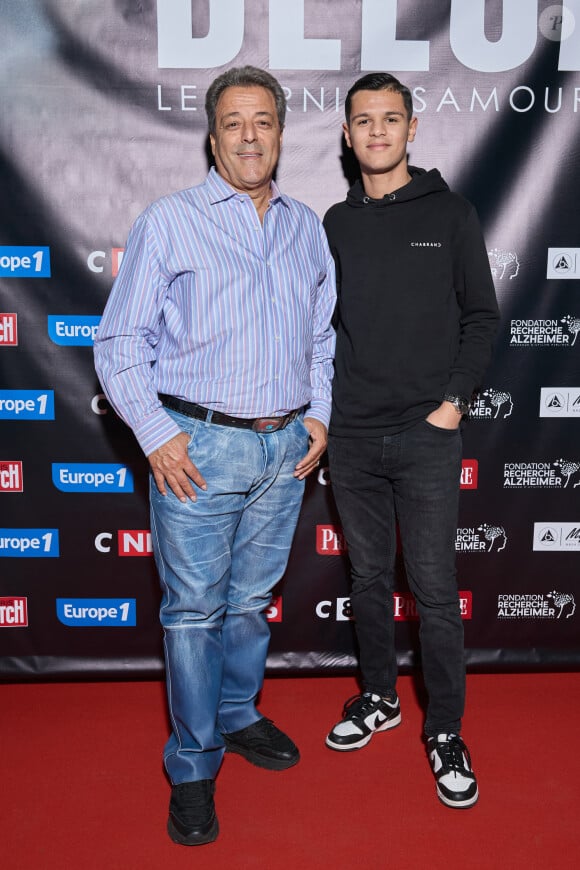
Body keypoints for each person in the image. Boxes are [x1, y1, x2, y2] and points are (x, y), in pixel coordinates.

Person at [94, 65, 336, 846]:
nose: (249, 136)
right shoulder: (171, 220)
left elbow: (324, 337)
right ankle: (194, 765)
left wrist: (321, 416)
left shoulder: (307, 226)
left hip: (285, 451)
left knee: (247, 602)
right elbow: (119, 341)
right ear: (212, 133)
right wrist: (157, 434)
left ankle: (236, 715)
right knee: (194, 611)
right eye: (233, 122)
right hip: (200, 447)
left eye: (263, 120)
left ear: (280, 130)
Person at [323, 73, 499, 809]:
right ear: (346, 135)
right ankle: (379, 697)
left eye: (389, 119)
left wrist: (452, 405)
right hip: (353, 437)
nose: (377, 133)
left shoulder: (452, 212)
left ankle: (446, 729)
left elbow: (482, 317)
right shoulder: (332, 222)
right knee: (366, 582)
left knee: (430, 592)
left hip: (427, 436)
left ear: (413, 128)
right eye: (363, 121)